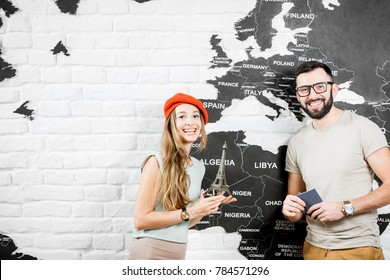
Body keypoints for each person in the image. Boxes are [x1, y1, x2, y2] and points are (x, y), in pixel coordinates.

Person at [282, 61, 390, 260]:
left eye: (320, 87)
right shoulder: (296, 143)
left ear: (335, 89)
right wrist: (290, 211)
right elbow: (295, 212)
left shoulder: (363, 129)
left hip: (358, 250)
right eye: (304, 89)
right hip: (313, 249)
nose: (313, 95)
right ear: (298, 96)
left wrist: (344, 208)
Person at [129, 93, 236, 260]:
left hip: (179, 251)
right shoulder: (156, 162)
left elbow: (185, 221)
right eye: (182, 116)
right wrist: (190, 211)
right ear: (172, 124)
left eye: (195, 116)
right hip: (150, 250)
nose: (190, 122)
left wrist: (203, 208)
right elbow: (141, 220)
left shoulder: (199, 167)